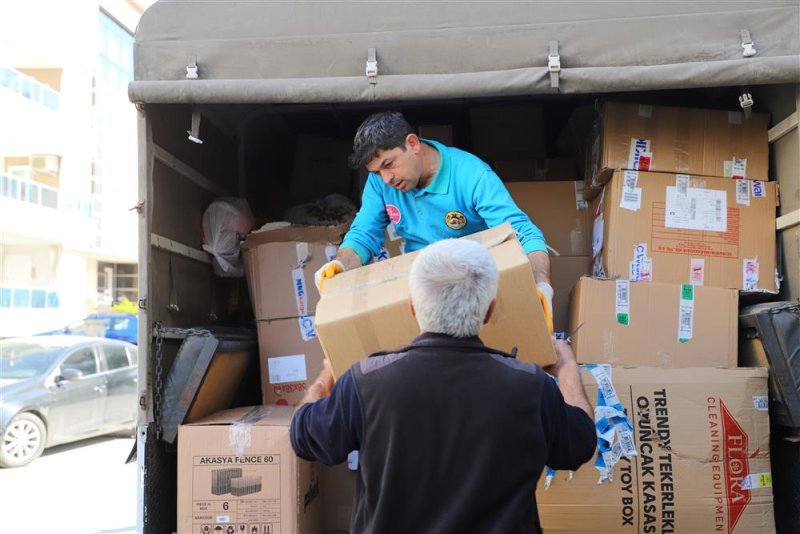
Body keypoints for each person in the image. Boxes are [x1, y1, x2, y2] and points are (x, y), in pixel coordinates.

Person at [293, 238, 596, 533]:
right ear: (490, 310)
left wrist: (325, 377)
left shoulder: (366, 382)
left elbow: (304, 435)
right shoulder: (530, 386)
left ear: (412, 308)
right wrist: (568, 372)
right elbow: (579, 445)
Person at [314, 111, 554, 329]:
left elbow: (524, 232)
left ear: (412, 143)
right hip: (423, 293)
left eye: (389, 164)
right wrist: (340, 264)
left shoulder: (471, 175)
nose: (386, 178)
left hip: (475, 290)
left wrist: (541, 285)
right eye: (377, 172)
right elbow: (363, 235)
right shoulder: (380, 183)